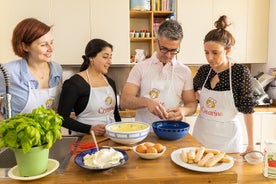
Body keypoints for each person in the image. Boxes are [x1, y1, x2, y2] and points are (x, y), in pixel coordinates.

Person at [193, 15, 255, 154]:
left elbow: (247, 110)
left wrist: (251, 144)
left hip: (228, 140)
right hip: (201, 135)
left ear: (227, 50)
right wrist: (195, 94)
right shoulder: (204, 71)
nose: (209, 58)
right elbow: (192, 90)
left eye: (215, 53)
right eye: (206, 52)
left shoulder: (240, 72)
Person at [120, 19, 197, 124]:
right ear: (157, 42)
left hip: (173, 131)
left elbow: (191, 104)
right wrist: (146, 102)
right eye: (164, 49)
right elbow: (124, 100)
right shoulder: (140, 67)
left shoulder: (185, 71)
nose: (168, 55)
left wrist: (184, 111)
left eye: (173, 50)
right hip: (145, 134)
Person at [0, 18, 62, 120]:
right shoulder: (8, 72)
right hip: (17, 134)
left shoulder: (57, 69)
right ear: (25, 46)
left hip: (48, 135)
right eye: (43, 45)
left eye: (51, 42)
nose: (51, 49)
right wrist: (4, 128)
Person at [58, 38, 121, 136]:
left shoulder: (110, 82)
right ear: (91, 58)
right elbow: (61, 118)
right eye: (105, 57)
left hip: (110, 138)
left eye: (110, 57)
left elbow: (115, 114)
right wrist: (89, 129)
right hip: (85, 139)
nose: (110, 62)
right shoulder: (74, 83)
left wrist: (121, 134)